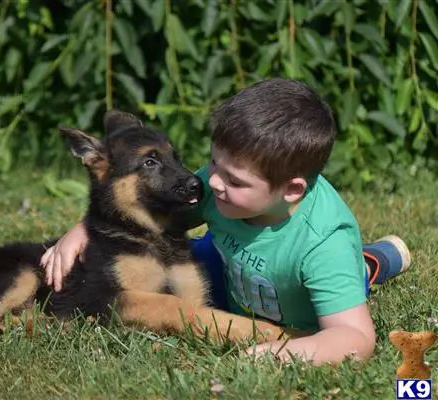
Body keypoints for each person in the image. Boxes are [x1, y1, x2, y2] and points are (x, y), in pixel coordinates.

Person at [39, 78, 411, 365]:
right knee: (181, 258)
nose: (212, 180)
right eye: (214, 162)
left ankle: (370, 262)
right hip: (227, 265)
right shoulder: (222, 188)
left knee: (345, 278)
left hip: (294, 280)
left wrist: (278, 353)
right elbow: (145, 220)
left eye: (234, 180)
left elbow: (356, 339)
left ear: (291, 190)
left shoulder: (322, 245)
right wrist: (84, 230)